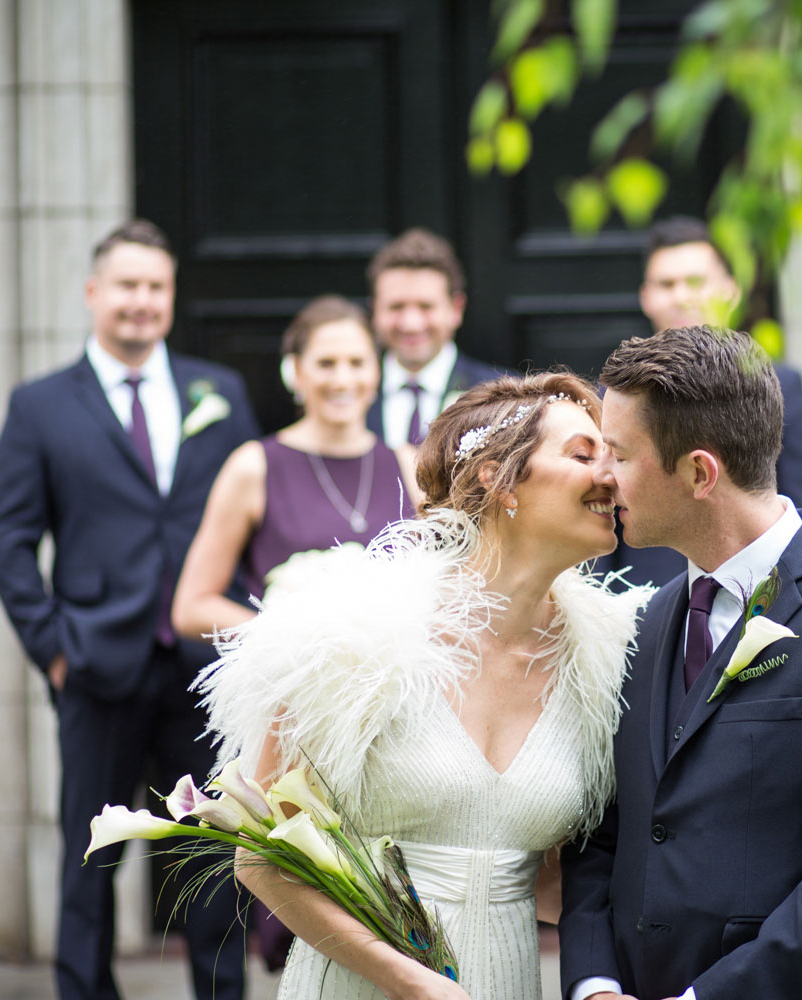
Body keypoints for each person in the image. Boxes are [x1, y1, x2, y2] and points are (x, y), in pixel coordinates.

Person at [195, 372, 653, 1000]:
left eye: (614, 455)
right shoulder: (355, 635)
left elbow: (568, 881)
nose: (614, 475)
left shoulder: (605, 663)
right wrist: (412, 982)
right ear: (497, 476)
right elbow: (262, 856)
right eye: (583, 453)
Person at [559, 325, 802, 1000]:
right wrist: (594, 983)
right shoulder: (645, 625)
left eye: (618, 453)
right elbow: (605, 838)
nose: (601, 476)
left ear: (700, 473)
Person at [0, 219, 258, 1000]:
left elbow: (249, 522)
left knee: (209, 866)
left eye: (156, 287)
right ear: (94, 294)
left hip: (203, 671)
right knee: (89, 864)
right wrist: (54, 649)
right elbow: (5, 540)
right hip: (95, 667)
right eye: (127, 286)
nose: (142, 302)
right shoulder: (39, 406)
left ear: (171, 298)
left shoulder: (219, 393)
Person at [171, 293, 414, 969]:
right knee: (309, 909)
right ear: (295, 372)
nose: (342, 378)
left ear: (377, 369)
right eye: (326, 362)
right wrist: (295, 637)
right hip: (296, 729)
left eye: (357, 362)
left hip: (392, 724)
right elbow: (193, 603)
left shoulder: (409, 465)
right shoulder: (256, 465)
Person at [605, 216, 802, 588]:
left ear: (730, 289)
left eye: (695, 282)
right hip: (640, 599)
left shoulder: (781, 385)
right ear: (646, 296)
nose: (681, 296)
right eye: (666, 284)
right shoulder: (615, 399)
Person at [367, 227, 505, 451]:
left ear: (456, 309)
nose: (411, 324)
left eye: (426, 307)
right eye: (396, 307)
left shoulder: (501, 396)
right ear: (375, 310)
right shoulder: (349, 394)